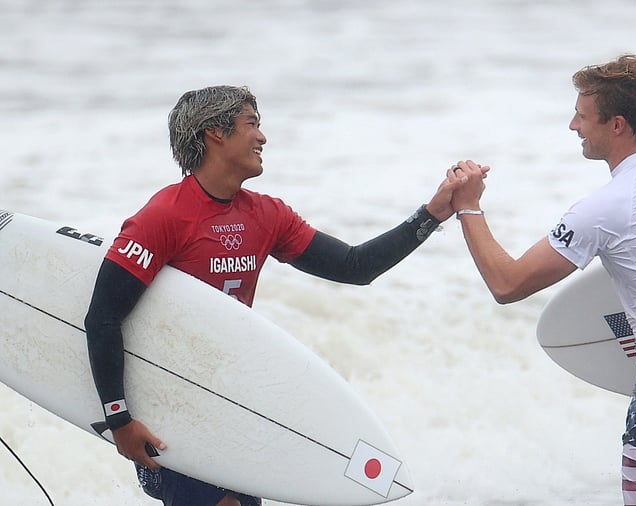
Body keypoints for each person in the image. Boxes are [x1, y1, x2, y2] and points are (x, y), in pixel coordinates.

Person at [83, 85, 475, 506]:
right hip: (175, 403)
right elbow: (103, 317)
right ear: (215, 133)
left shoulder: (267, 215)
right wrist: (118, 419)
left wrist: (433, 213)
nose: (262, 137)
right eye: (251, 124)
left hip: (238, 399)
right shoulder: (164, 217)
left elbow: (355, 266)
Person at [449, 55, 636, 506]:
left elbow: (507, 283)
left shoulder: (606, 207)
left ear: (616, 125)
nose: (573, 125)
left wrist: (468, 206)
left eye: (582, 115)